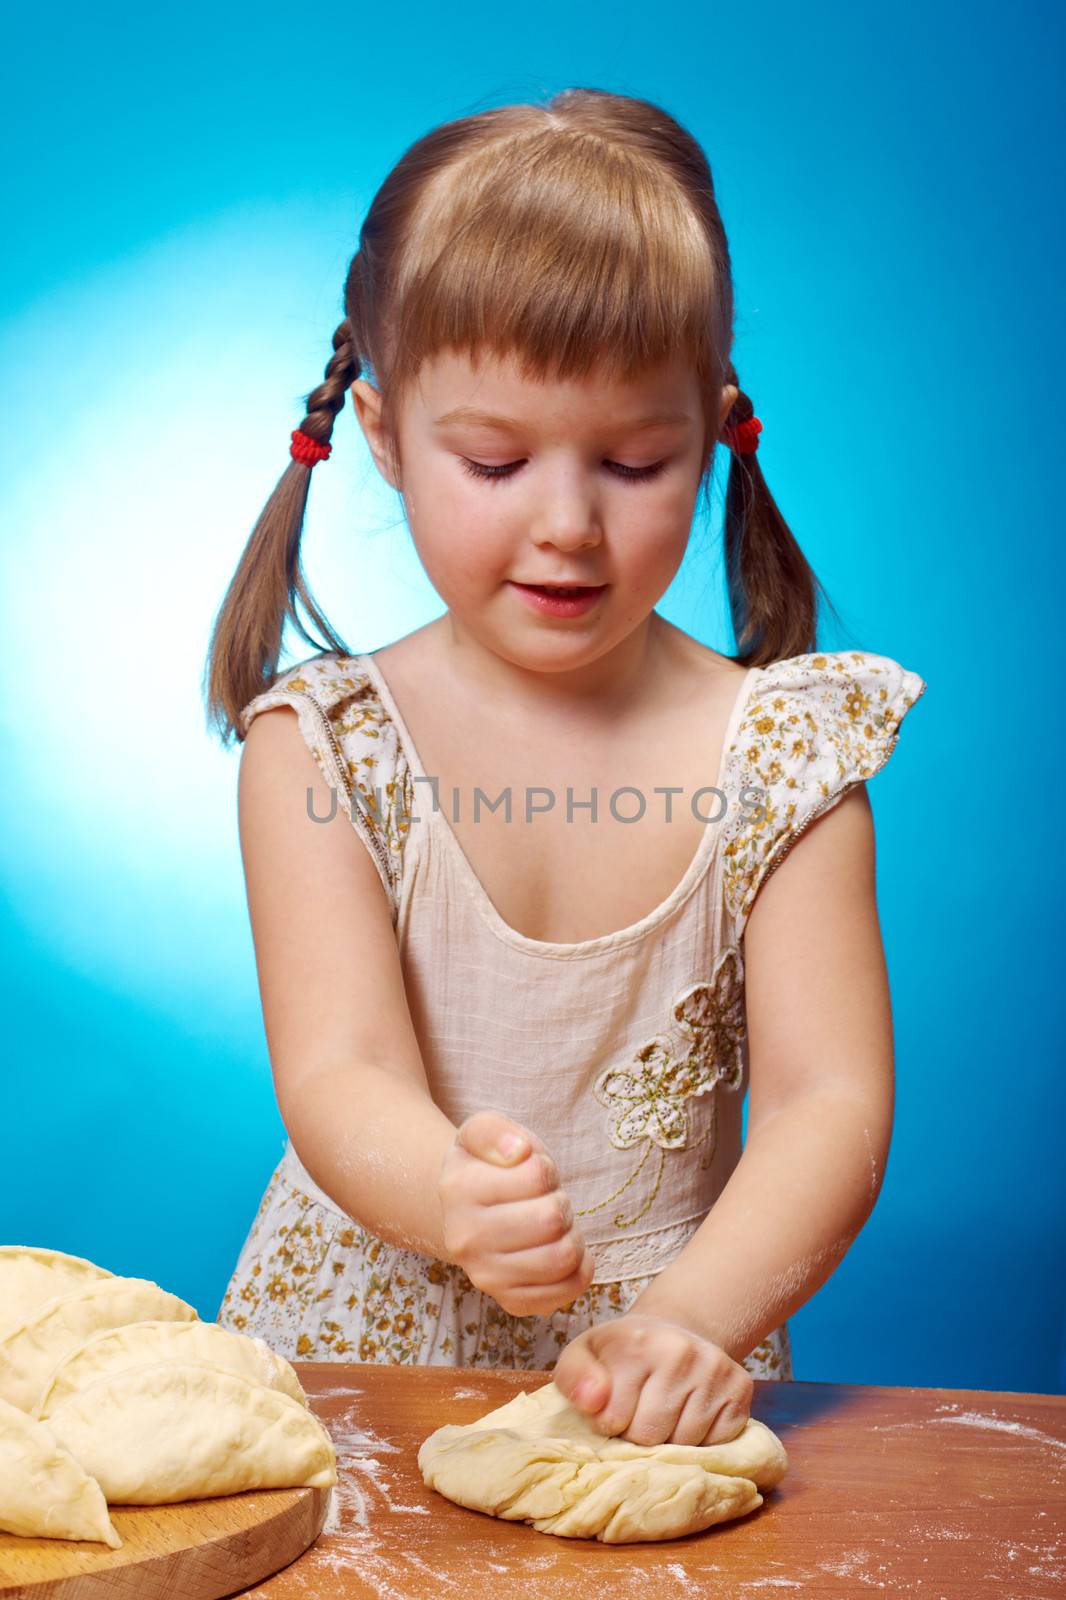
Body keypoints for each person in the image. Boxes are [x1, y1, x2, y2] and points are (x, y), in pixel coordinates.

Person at [204, 87, 927, 1451]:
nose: (565, 526)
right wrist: (447, 1196)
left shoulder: (783, 754)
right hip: (360, 1358)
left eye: (633, 460)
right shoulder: (328, 747)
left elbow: (829, 1100)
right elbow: (338, 1063)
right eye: (492, 459)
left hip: (660, 1359)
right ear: (382, 435)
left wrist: (692, 1323)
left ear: (713, 432)